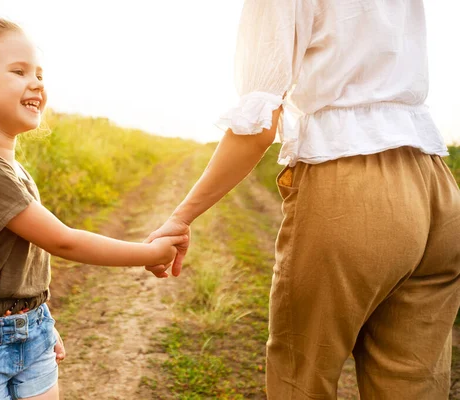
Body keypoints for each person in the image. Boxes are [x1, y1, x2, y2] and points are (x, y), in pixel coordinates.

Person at [145, 1, 460, 398]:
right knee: (415, 383)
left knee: (302, 374)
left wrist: (181, 216)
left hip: (350, 179)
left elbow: (257, 126)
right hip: (437, 187)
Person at [0, 16, 185, 400]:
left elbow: (19, 268)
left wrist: (38, 322)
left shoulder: (12, 168)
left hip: (30, 329)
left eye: (40, 74)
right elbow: (64, 242)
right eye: (19, 71)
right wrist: (149, 253)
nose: (37, 83)